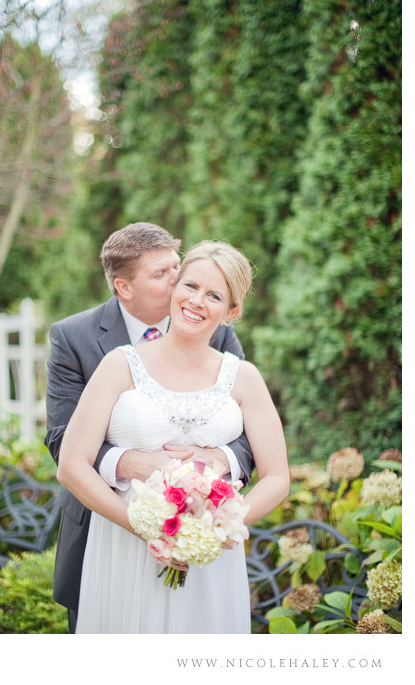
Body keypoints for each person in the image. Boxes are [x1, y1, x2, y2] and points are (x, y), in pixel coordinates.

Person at [56, 239, 289, 633]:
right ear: (176, 288)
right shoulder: (119, 365)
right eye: (191, 286)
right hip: (123, 544)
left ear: (231, 311)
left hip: (210, 558)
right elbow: (71, 465)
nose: (197, 301)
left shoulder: (244, 377)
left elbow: (278, 476)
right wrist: (146, 528)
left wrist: (218, 527)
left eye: (214, 295)